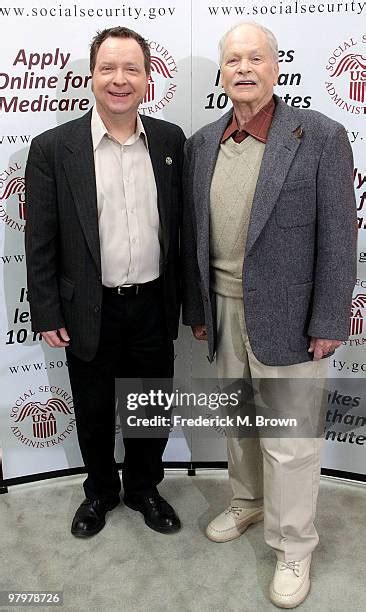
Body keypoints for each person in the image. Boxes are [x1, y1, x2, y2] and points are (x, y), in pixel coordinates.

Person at [182, 22, 356, 608]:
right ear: (223, 73)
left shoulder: (321, 137)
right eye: (233, 60)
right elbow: (194, 237)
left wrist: (331, 318)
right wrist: (199, 309)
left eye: (255, 57)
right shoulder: (203, 142)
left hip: (292, 318)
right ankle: (248, 501)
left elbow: (338, 234)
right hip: (224, 312)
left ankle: (294, 545)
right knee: (240, 425)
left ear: (277, 67)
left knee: (291, 441)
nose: (244, 68)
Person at [25, 26, 185, 538]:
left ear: (147, 78)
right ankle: (99, 493)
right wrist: (47, 310)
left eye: (131, 69)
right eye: (108, 68)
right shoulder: (53, 148)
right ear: (92, 77)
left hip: (154, 306)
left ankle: (143, 488)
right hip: (88, 308)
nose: (120, 80)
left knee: (149, 407)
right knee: (93, 412)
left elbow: (180, 230)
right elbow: (41, 238)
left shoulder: (168, 141)